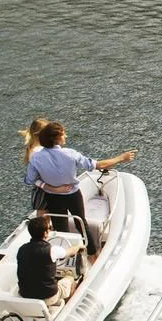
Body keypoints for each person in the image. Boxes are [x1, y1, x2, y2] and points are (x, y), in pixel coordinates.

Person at [24, 120, 134, 258]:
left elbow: (30, 179)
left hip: (53, 197)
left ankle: (66, 257)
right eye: (64, 134)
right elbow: (98, 165)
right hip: (72, 195)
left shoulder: (36, 158)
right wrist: (121, 158)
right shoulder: (70, 154)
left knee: (61, 228)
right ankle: (93, 255)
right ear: (56, 138)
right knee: (82, 224)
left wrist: (49, 187)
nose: (66, 137)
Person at [15, 212, 64, 302]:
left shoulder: (21, 249)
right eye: (49, 229)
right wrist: (78, 247)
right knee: (70, 280)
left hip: (25, 294)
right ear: (45, 233)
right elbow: (69, 252)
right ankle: (64, 304)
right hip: (48, 295)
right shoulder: (52, 250)